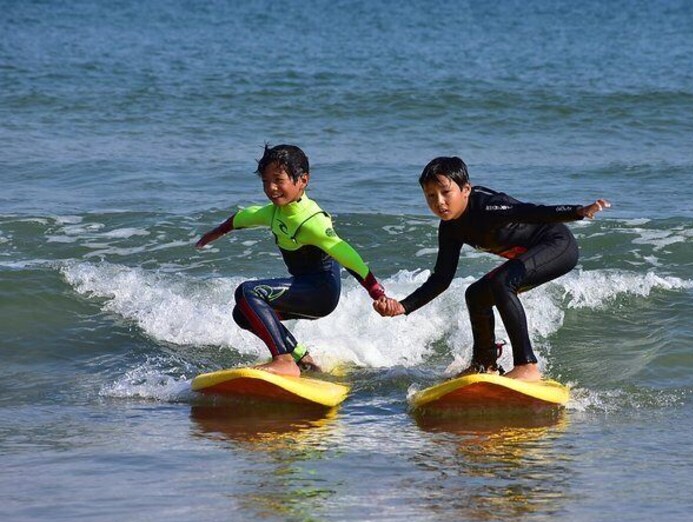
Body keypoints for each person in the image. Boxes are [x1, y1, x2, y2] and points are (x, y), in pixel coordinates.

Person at [373, 156, 610, 382]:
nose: (439, 202)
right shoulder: (449, 228)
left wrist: (577, 211)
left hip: (556, 245)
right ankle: (485, 364)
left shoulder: (488, 206)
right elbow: (441, 279)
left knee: (502, 283)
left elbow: (531, 211)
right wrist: (403, 306)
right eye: (431, 196)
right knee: (476, 295)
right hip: (532, 254)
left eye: (446, 193)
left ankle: (527, 366)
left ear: (465, 189)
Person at [196, 143, 385, 377]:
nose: (271, 188)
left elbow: (347, 255)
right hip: (304, 287)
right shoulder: (275, 212)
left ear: (303, 180)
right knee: (243, 313)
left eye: (278, 180)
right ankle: (301, 357)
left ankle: (283, 360)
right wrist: (212, 235)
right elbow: (242, 217)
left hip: (320, 293)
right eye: (265, 181)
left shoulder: (312, 220)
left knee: (247, 292)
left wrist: (376, 292)